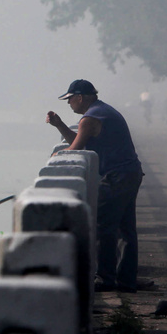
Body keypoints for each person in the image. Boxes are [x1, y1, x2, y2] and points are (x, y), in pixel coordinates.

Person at [46, 79, 146, 292]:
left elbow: (75, 148)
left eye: (70, 99)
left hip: (117, 177)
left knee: (104, 227)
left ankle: (105, 278)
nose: (69, 103)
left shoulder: (90, 118)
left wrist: (59, 154)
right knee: (126, 229)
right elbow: (81, 141)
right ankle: (126, 281)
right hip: (131, 172)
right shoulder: (101, 111)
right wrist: (60, 125)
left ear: (80, 97)